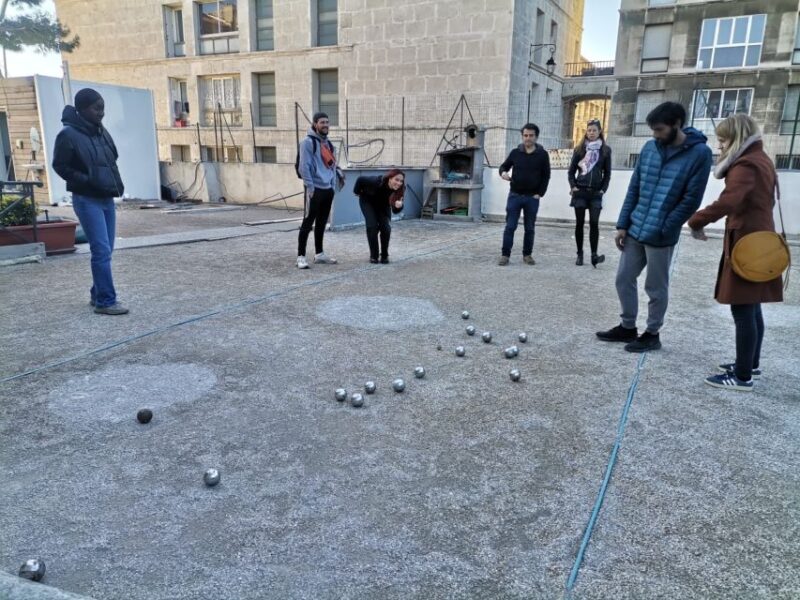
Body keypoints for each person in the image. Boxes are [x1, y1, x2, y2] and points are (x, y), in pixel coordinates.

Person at [596, 102, 713, 352]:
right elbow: (634, 187)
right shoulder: (650, 148)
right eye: (653, 130)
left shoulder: (700, 154)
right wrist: (623, 224)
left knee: (655, 287)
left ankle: (652, 334)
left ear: (677, 124)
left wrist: (666, 226)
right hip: (636, 227)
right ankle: (627, 327)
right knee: (623, 278)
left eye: (660, 129)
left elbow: (691, 199)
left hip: (661, 234)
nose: (655, 135)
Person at [687, 114, 783, 391]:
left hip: (747, 244)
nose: (719, 145)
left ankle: (742, 377)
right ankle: (749, 364)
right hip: (758, 241)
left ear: (737, 138)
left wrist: (696, 220)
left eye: (723, 139)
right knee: (752, 306)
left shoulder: (746, 164)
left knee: (742, 307)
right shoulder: (761, 159)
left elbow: (729, 201)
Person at [52, 88, 128, 315]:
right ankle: (106, 301)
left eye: (103, 108)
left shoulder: (101, 131)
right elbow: (60, 166)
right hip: (86, 199)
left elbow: (112, 157)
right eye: (97, 108)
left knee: (107, 250)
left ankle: (97, 294)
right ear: (83, 109)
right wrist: (86, 180)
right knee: (101, 250)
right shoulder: (67, 135)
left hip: (106, 197)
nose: (101, 113)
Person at [497, 123, 551, 265]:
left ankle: (527, 255)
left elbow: (546, 176)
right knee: (510, 226)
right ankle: (505, 255)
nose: (528, 138)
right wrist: (503, 173)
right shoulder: (515, 153)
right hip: (515, 196)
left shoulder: (542, 155)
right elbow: (503, 166)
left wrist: (540, 193)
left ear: (536, 137)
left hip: (532, 198)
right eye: (525, 135)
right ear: (522, 136)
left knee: (530, 228)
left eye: (531, 135)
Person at [296, 112, 344, 269]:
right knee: (307, 222)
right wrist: (310, 187)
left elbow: (332, 167)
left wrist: (332, 185)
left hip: (327, 189)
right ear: (315, 124)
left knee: (322, 222)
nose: (325, 125)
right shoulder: (307, 143)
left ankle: (319, 254)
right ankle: (301, 257)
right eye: (322, 122)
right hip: (314, 189)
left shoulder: (329, 144)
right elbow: (304, 167)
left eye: (327, 122)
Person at [567, 118, 612, 267]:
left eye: (594, 130)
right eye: (589, 130)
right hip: (580, 191)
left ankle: (594, 255)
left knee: (594, 223)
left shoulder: (605, 150)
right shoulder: (579, 149)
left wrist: (603, 190)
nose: (591, 133)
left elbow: (607, 173)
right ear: (586, 132)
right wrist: (573, 186)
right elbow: (571, 171)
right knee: (579, 223)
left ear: (600, 132)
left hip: (595, 194)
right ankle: (579, 254)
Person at [353, 169, 405, 264]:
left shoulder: (400, 189)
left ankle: (384, 255)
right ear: (390, 178)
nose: (399, 183)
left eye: (401, 181)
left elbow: (395, 211)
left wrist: (399, 206)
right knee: (372, 226)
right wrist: (357, 192)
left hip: (383, 205)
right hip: (368, 201)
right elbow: (360, 179)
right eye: (396, 180)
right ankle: (374, 256)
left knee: (386, 228)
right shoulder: (376, 181)